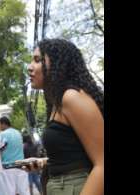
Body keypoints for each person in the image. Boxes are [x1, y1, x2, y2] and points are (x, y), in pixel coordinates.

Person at [26, 38, 104, 195]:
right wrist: (44, 163)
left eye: (37, 60)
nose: (30, 67)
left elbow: (102, 162)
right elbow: (75, 156)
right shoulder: (57, 102)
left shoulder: (71, 97)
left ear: (57, 64)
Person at [0, 116, 30, 195]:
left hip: (8, 166)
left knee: (10, 191)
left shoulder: (3, 134)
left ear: (4, 124)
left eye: (0, 124)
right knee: (24, 191)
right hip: (21, 165)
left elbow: (1, 149)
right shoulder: (18, 133)